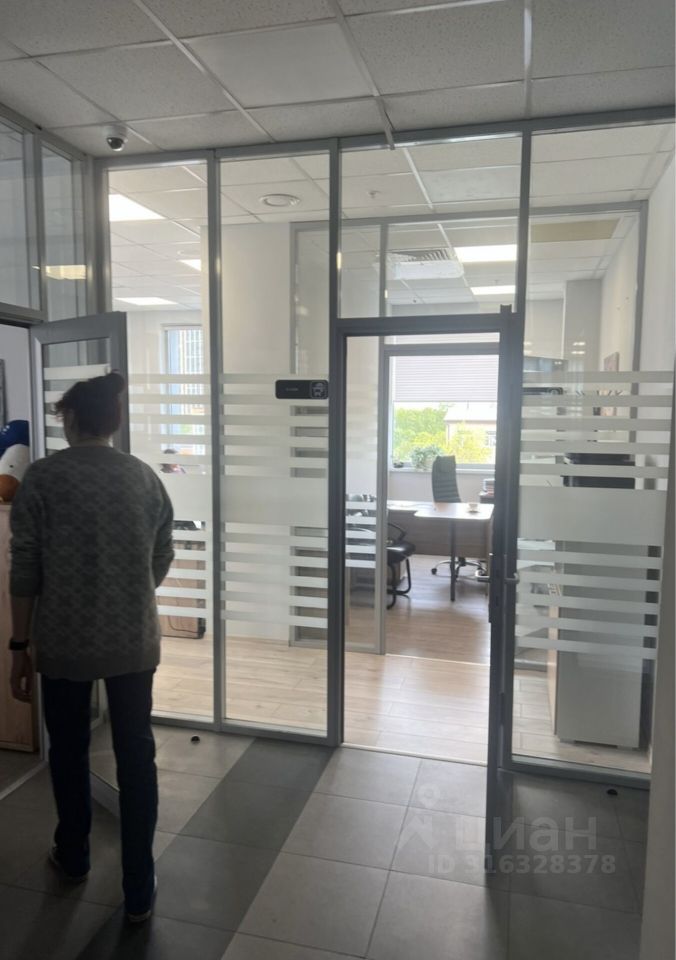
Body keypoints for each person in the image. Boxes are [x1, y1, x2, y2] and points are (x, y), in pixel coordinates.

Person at [9, 371, 174, 923]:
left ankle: (74, 855)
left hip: (64, 642)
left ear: (73, 419)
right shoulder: (144, 478)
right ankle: (139, 886)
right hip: (133, 641)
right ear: (114, 422)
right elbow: (163, 552)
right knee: (136, 756)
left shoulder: (43, 478)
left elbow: (25, 569)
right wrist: (131, 592)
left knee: (69, 751)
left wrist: (18, 645)